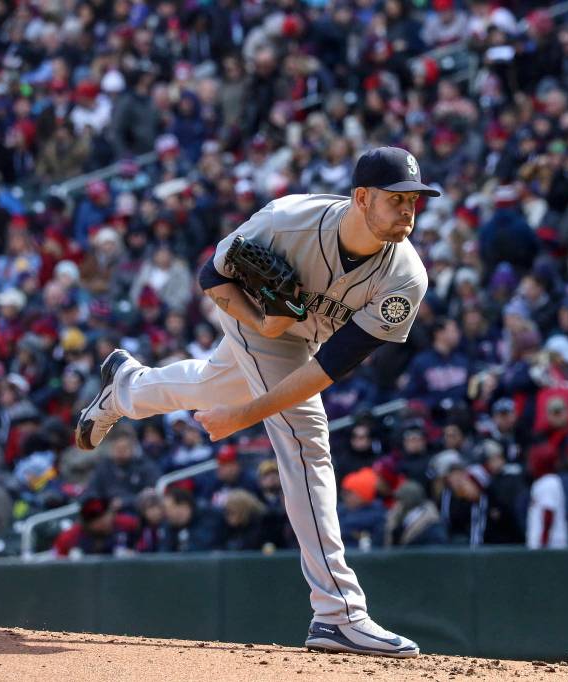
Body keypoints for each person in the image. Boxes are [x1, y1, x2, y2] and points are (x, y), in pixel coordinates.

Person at [74, 147, 434, 657]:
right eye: (397, 199)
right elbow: (212, 276)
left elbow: (332, 367)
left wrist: (243, 414)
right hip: (260, 323)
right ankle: (338, 613)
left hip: (310, 343)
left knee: (211, 385)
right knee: (307, 442)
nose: (408, 211)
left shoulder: (406, 277)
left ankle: (127, 385)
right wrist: (262, 321)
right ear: (360, 197)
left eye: (415, 200)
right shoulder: (288, 221)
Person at [53, 496, 141, 557]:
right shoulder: (69, 537)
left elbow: (147, 547)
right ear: (88, 523)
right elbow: (56, 564)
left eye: (106, 515)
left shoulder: (127, 524)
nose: (105, 522)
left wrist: (135, 554)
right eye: (99, 520)